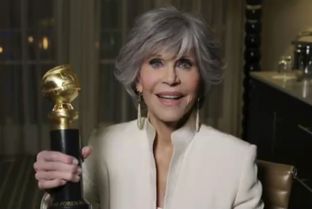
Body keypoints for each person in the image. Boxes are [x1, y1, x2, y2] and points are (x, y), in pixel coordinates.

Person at [34, 7, 264, 209]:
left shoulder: (237, 160)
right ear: (137, 79)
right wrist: (58, 192)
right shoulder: (104, 145)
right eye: (156, 62)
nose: (171, 78)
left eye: (185, 64)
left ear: (201, 78)